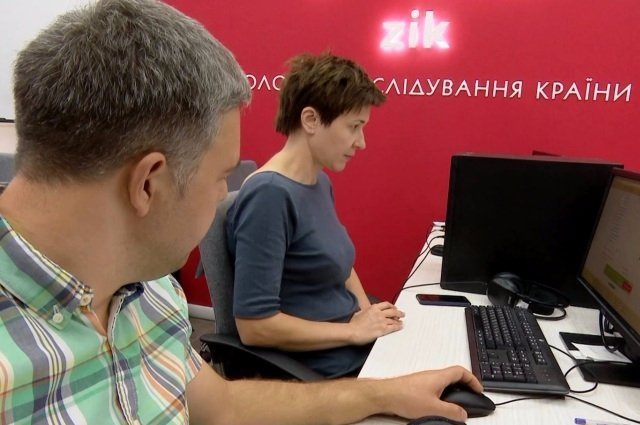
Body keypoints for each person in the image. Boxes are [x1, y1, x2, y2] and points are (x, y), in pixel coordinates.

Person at [0, 0, 481, 424]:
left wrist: (385, 394)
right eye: (221, 177)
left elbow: (222, 406)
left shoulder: (150, 290)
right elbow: (257, 325)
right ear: (148, 183)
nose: (223, 199)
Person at [226, 53, 405, 378]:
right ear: (310, 120)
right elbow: (254, 327)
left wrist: (368, 316)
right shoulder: (269, 195)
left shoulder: (318, 182)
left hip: (352, 349)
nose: (361, 142)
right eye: (354, 127)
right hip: (321, 370)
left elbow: (342, 266)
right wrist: (353, 331)